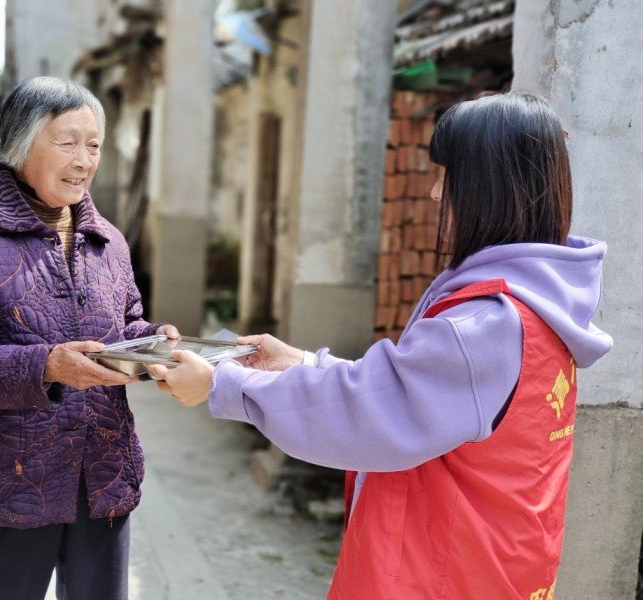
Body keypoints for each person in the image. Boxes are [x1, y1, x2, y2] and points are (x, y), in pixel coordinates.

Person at [148, 91, 612, 599]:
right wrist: (298, 363)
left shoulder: (482, 323)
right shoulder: (535, 304)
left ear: (491, 188)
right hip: (496, 562)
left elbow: (372, 415)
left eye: (448, 177)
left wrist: (223, 383)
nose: (435, 194)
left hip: (440, 574)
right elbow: (419, 393)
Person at [0, 76, 178, 600]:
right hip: (9, 482)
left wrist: (154, 341)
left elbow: (122, 327)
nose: (84, 160)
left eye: (94, 143)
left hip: (101, 476)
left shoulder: (109, 241)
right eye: (67, 142)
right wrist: (47, 366)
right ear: (18, 145)